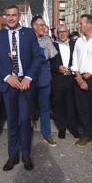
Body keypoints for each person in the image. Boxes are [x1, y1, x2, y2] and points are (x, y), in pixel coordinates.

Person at [0, 4, 41, 171]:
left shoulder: (29, 33)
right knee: (11, 120)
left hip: (25, 84)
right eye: (8, 15)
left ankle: (25, 154)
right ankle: (13, 155)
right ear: (5, 16)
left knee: (25, 120)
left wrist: (28, 77)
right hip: (8, 84)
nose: (11, 18)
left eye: (14, 15)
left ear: (19, 17)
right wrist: (7, 76)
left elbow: (36, 58)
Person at [71, 14, 92, 148]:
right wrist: (79, 78)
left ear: (90, 24)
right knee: (82, 109)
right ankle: (86, 135)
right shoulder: (79, 41)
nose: (79, 26)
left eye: (81, 23)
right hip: (79, 78)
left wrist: (88, 76)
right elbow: (74, 60)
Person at [31, 15, 58, 146]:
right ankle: (26, 133)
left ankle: (46, 134)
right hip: (29, 78)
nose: (43, 27)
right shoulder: (26, 39)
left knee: (44, 108)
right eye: (41, 25)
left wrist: (39, 54)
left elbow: (50, 54)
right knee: (28, 108)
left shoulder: (47, 39)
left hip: (44, 77)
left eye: (44, 25)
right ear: (34, 26)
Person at [50, 24, 77, 139]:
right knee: (59, 105)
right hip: (58, 79)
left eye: (64, 31)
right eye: (59, 32)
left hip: (72, 79)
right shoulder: (52, 46)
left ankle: (73, 127)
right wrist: (57, 68)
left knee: (71, 105)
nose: (62, 33)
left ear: (68, 32)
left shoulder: (75, 45)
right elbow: (49, 63)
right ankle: (61, 128)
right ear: (57, 34)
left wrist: (73, 70)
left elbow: (79, 60)